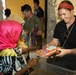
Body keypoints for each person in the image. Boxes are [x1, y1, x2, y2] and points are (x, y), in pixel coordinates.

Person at [47, 1, 76, 70]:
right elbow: (55, 41)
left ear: (72, 11)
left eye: (64, 14)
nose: (62, 17)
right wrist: (51, 45)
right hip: (62, 56)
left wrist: (67, 51)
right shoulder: (59, 25)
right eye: (60, 15)